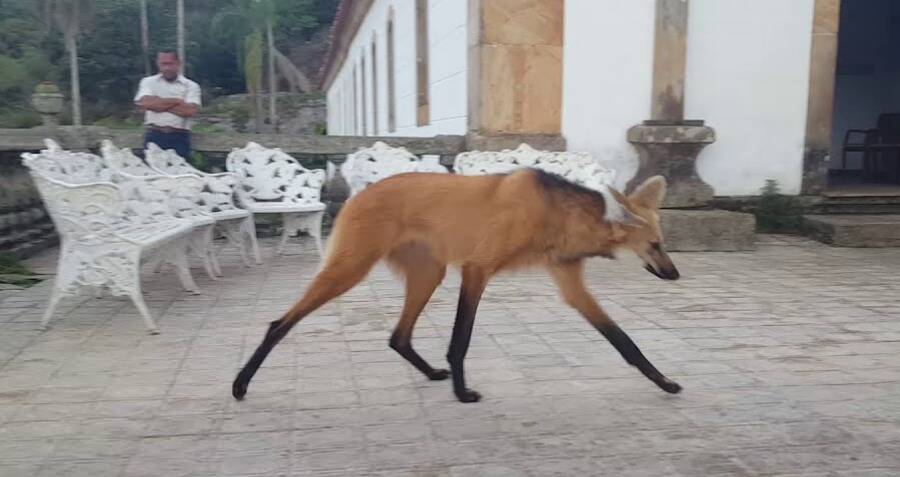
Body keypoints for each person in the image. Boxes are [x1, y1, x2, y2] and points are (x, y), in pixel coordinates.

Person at [133, 51, 201, 160]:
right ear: (158, 64)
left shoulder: (191, 86)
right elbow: (145, 103)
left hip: (179, 137)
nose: (167, 68)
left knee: (181, 174)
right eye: (163, 64)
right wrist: (177, 101)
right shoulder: (148, 82)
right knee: (153, 173)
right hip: (154, 134)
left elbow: (189, 111)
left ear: (178, 64)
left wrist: (157, 103)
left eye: (170, 64)